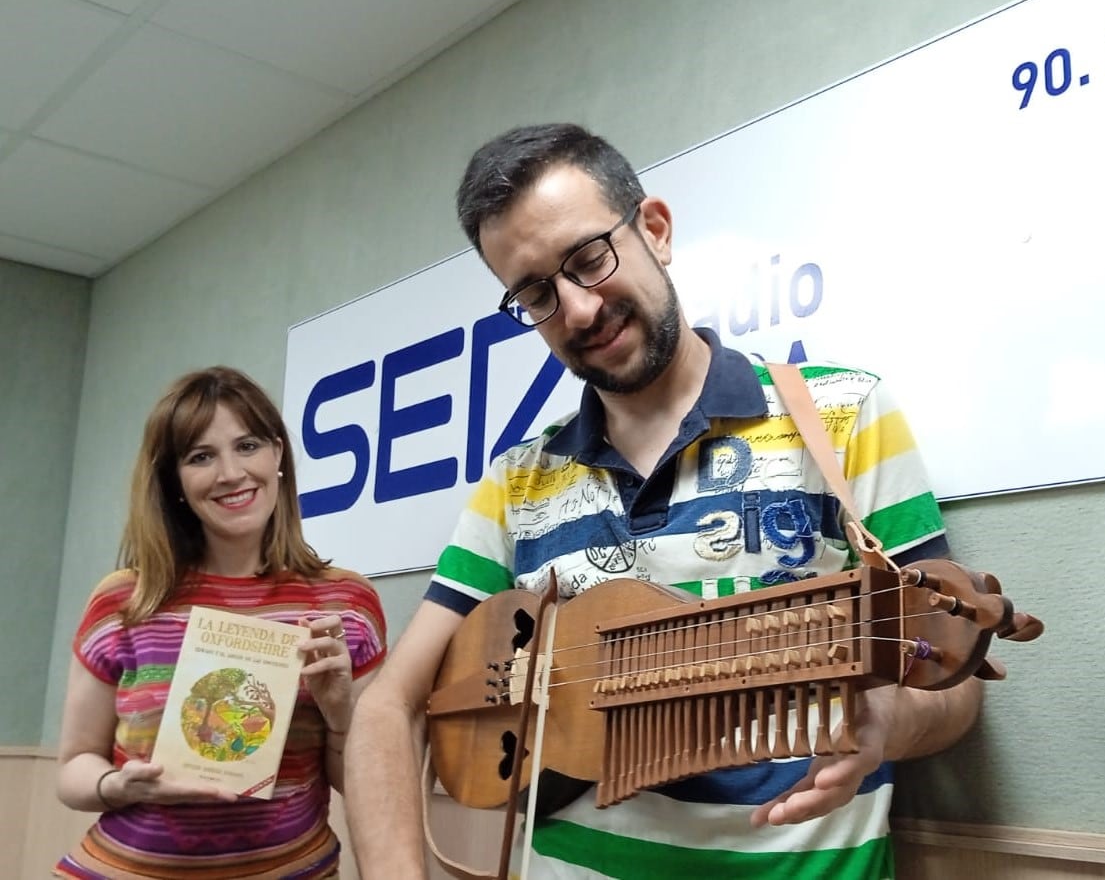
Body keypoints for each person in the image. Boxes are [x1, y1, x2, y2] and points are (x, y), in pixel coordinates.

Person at [344, 123, 983, 878]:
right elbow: (388, 706)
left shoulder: (844, 415)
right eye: (538, 294)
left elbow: (955, 675)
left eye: (588, 259)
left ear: (654, 228)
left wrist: (893, 726)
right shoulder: (517, 480)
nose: (579, 309)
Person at [54, 366, 387, 879]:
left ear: (278, 454)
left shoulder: (343, 602)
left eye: (247, 445)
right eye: (200, 456)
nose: (230, 473)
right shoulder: (125, 599)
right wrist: (115, 786)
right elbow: (74, 768)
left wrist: (342, 711)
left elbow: (367, 782)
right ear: (175, 482)